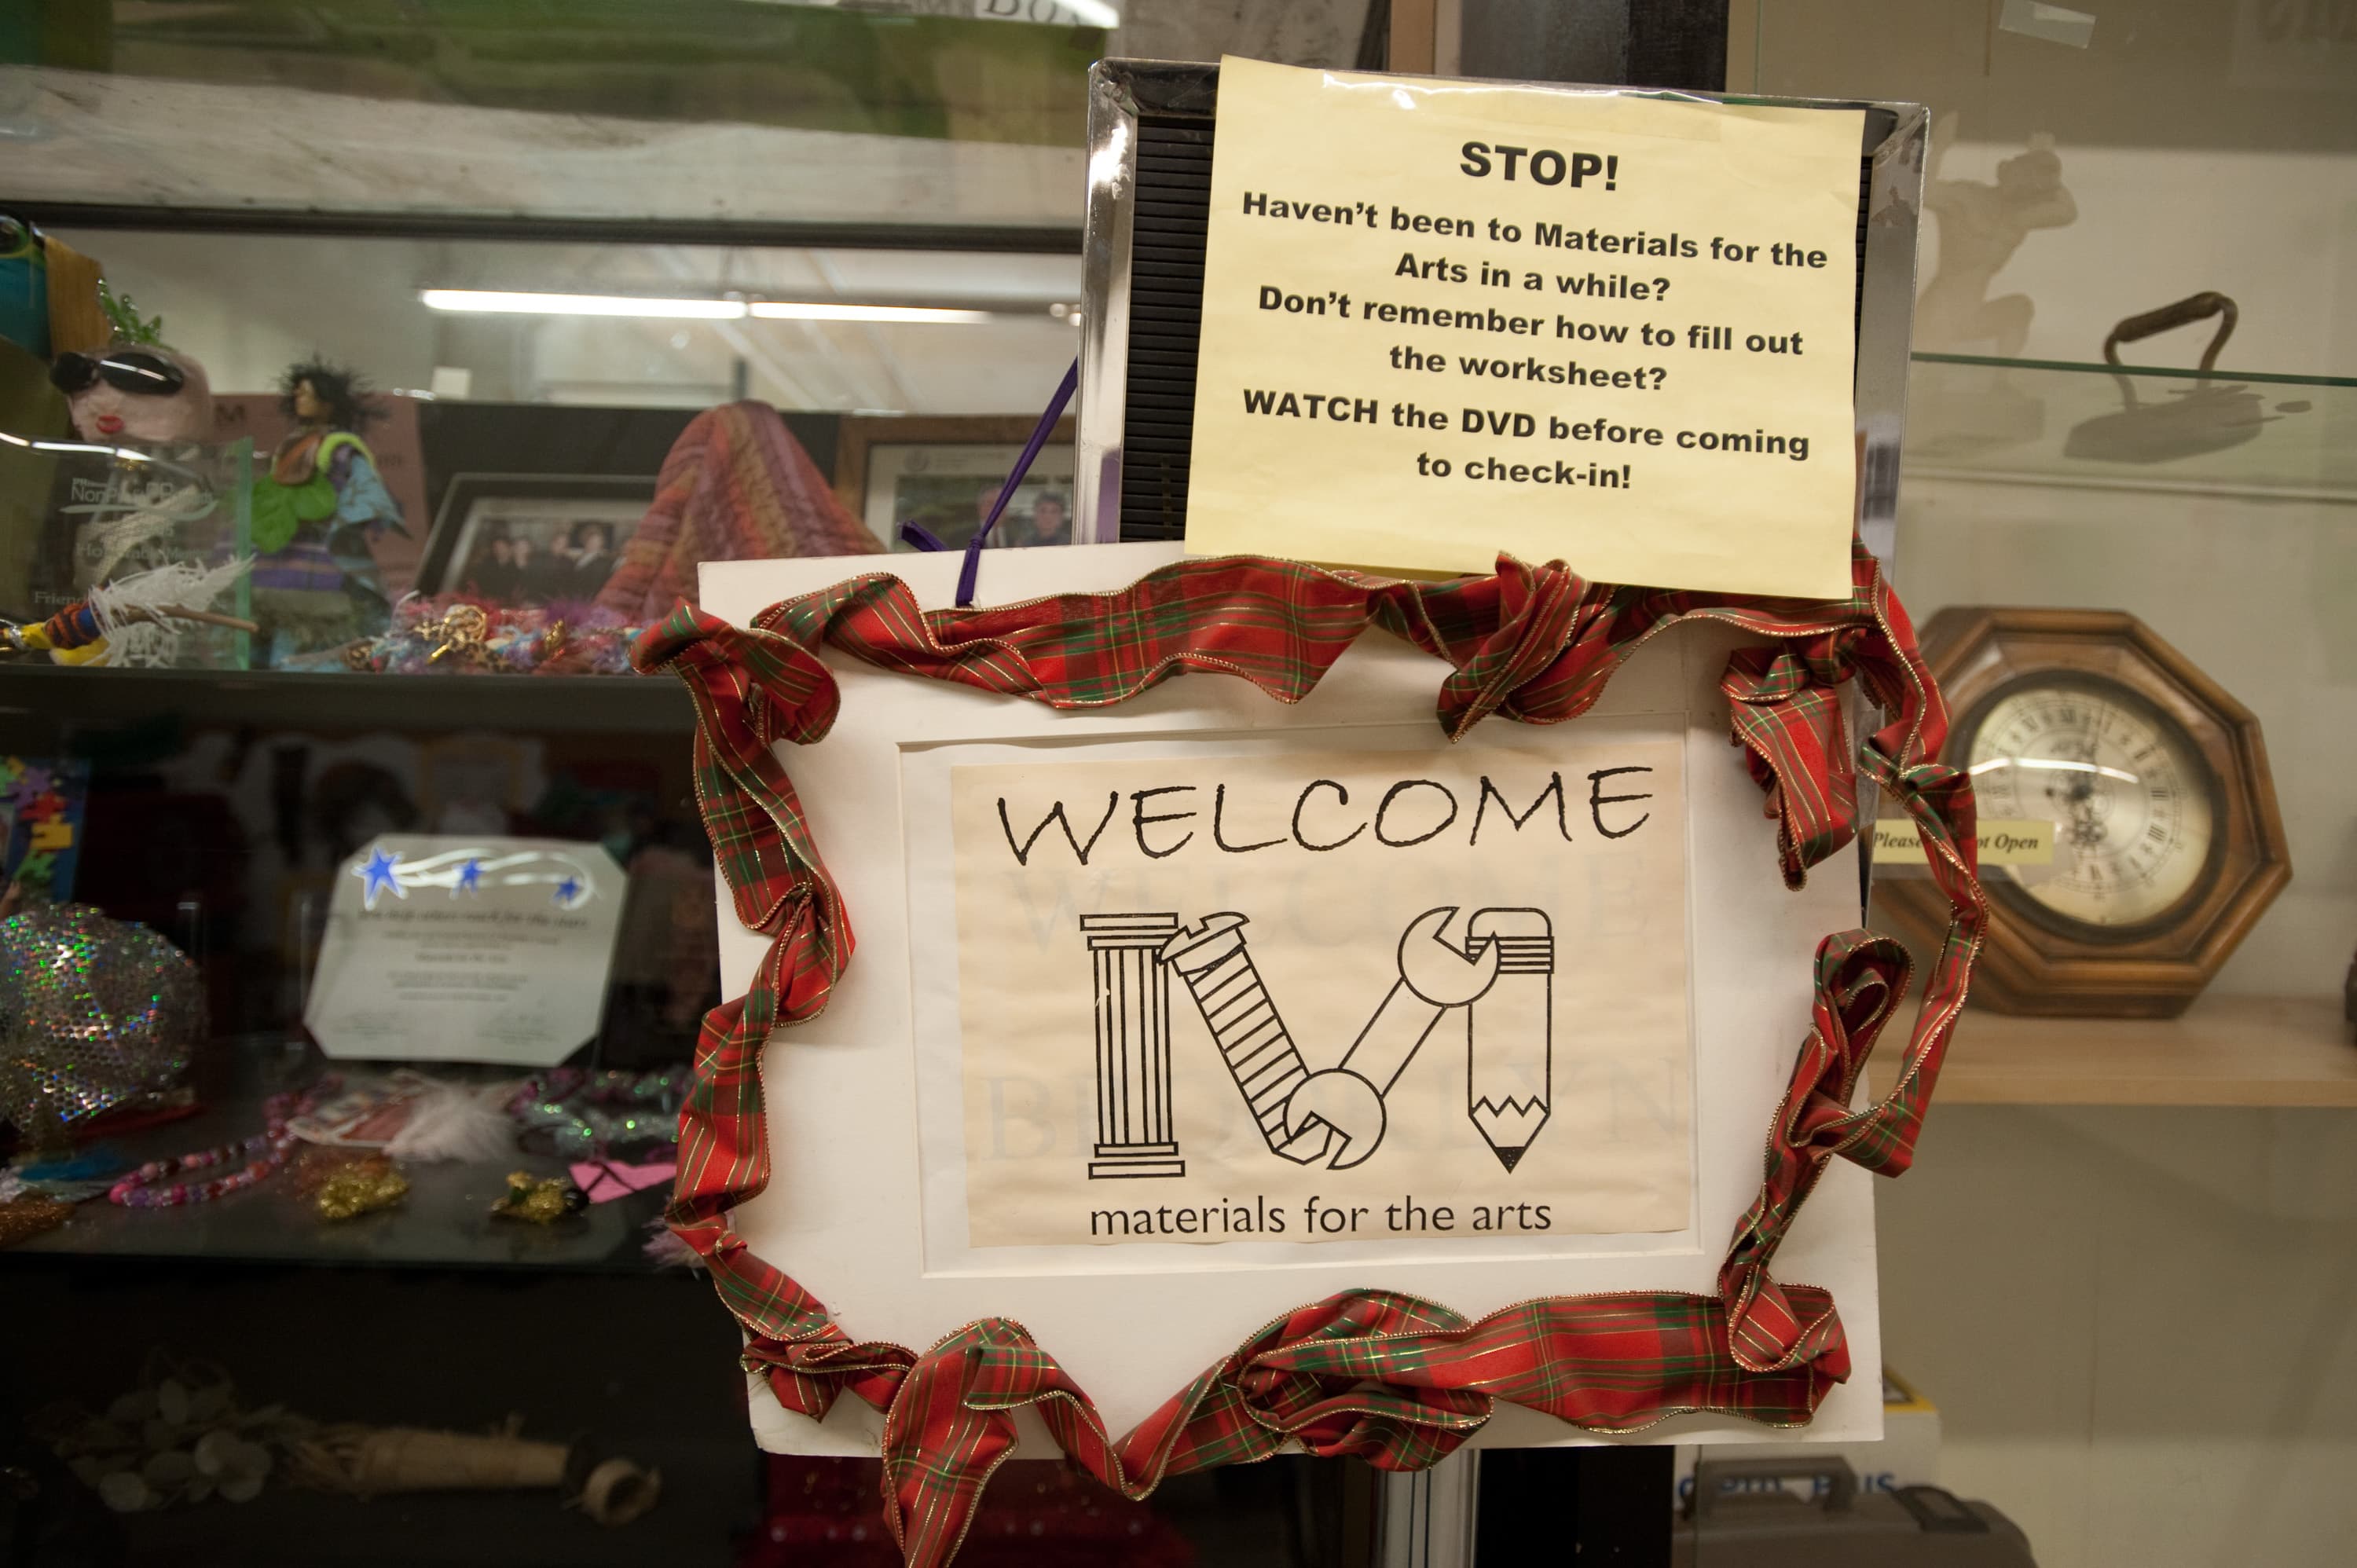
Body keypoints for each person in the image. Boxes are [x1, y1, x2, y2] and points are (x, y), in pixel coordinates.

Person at [563, 519, 616, 594]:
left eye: (597, 542)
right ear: (584, 541)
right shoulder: (578, 559)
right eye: (591, 541)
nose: (593, 544)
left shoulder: (604, 562)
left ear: (601, 543)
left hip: (590, 597)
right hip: (574, 596)